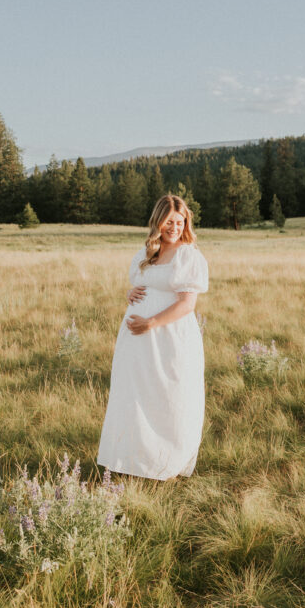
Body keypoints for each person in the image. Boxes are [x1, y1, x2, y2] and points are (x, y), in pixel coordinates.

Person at [97, 193, 209, 480]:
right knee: (135, 393)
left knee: (170, 394)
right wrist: (129, 293)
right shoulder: (148, 251)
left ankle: (166, 461)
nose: (174, 227)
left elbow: (187, 304)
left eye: (180, 221)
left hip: (170, 336)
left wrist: (152, 322)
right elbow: (143, 283)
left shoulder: (187, 254)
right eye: (169, 221)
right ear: (158, 220)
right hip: (136, 340)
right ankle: (133, 458)